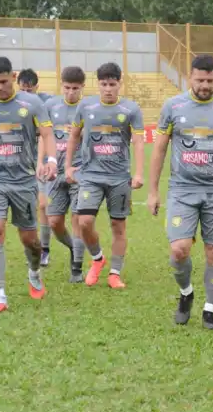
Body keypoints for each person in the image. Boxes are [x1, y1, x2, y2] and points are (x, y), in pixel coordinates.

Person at [148, 54, 213, 329]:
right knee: (179, 250)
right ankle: (186, 294)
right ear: (189, 77)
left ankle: (210, 309)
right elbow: (159, 148)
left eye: (209, 80)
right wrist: (152, 191)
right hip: (182, 189)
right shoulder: (173, 106)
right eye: (199, 80)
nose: (205, 85)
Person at [0, 56, 57, 314]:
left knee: (30, 240)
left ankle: (34, 271)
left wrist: (51, 160)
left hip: (24, 181)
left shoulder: (31, 103)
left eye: (3, 81)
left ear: (14, 77)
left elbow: (48, 134)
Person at [66, 62, 144, 289]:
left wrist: (138, 173)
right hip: (90, 175)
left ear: (120, 83)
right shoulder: (86, 107)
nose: (108, 89)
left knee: (118, 226)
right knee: (84, 221)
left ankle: (114, 273)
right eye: (103, 84)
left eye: (112, 84)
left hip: (120, 177)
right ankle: (98, 258)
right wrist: (68, 167)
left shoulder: (131, 109)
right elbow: (74, 136)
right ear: (97, 84)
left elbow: (138, 141)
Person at [43, 66, 88, 283]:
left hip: (80, 171)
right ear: (61, 85)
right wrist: (39, 163)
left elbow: (98, 139)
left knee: (78, 217)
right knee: (54, 222)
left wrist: (82, 133)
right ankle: (73, 247)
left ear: (82, 88)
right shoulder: (50, 106)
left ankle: (77, 268)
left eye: (75, 88)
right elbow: (44, 136)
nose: (71, 92)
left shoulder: (88, 108)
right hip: (55, 172)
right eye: (67, 87)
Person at [18, 68, 55, 266]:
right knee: (26, 208)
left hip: (40, 162)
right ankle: (32, 248)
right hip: (19, 164)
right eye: (23, 90)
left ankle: (45, 250)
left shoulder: (45, 103)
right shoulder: (14, 104)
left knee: (42, 205)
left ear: (37, 88)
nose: (26, 95)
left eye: (30, 91)